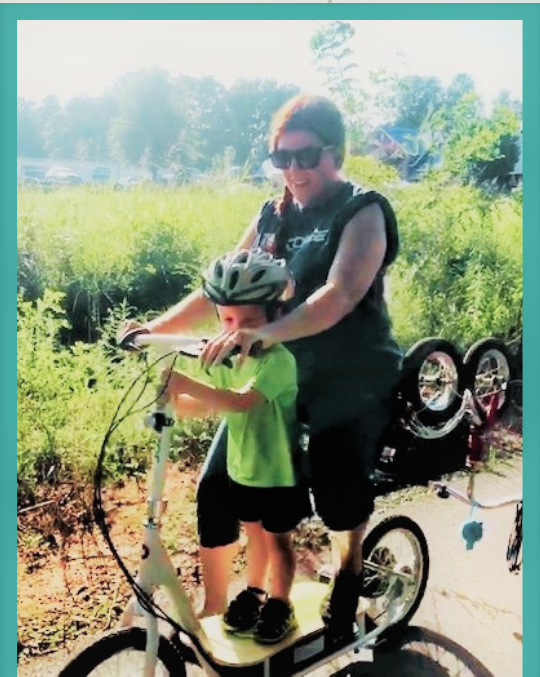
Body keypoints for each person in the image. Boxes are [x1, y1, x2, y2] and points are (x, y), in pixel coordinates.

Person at [124, 94, 402, 641]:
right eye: (283, 158)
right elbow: (223, 288)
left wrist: (261, 335)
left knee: (336, 485)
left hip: (346, 374)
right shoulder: (272, 213)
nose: (295, 170)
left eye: (308, 156)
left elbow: (341, 292)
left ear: (335, 151)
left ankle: (347, 572)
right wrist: (153, 331)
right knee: (219, 484)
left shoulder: (363, 210)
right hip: (273, 375)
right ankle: (218, 606)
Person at [159, 248, 309, 645]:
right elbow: (218, 407)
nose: (236, 329)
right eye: (227, 319)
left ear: (275, 318)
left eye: (251, 321)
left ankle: (280, 601)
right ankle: (255, 590)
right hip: (244, 470)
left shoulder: (278, 361)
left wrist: (187, 384)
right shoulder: (235, 359)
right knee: (254, 534)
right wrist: (175, 403)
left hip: (277, 471)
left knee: (277, 540)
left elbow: (241, 402)